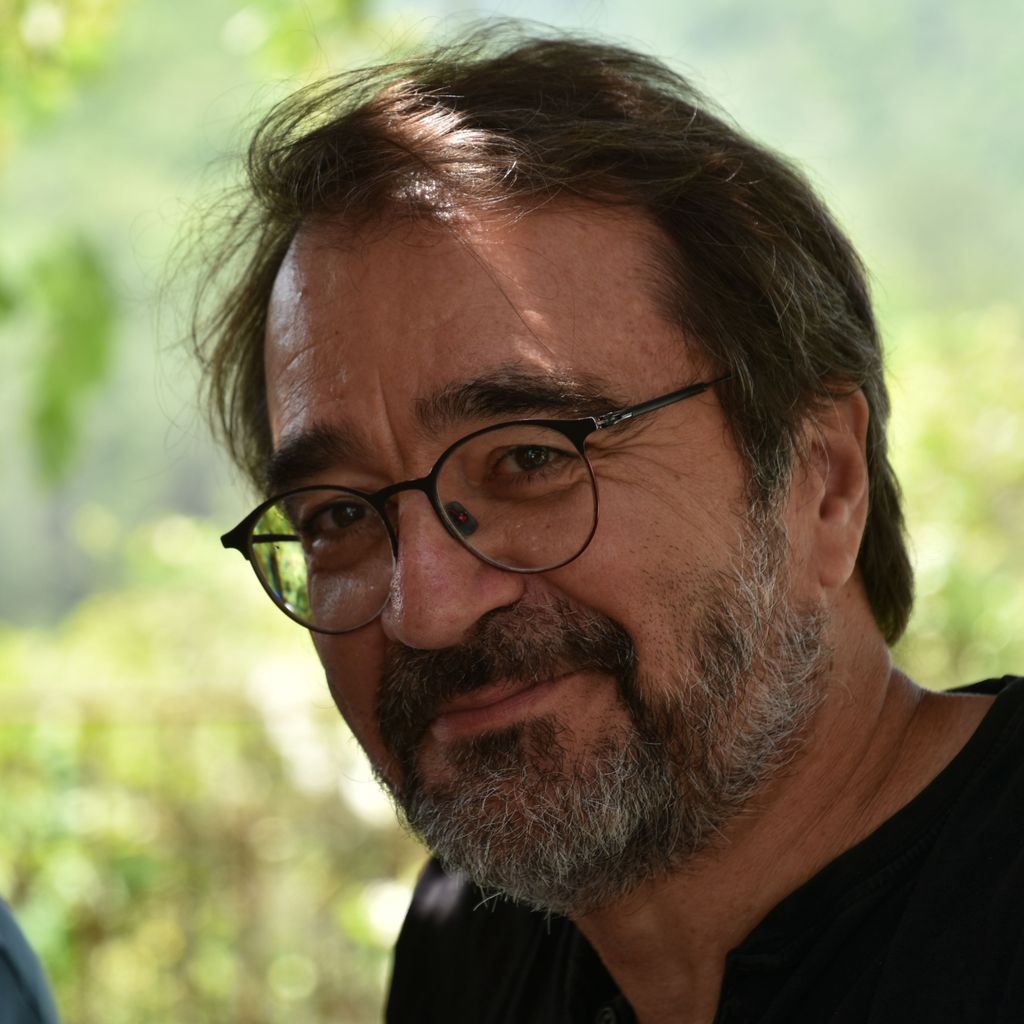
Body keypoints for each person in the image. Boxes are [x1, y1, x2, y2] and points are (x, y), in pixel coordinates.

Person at [198, 29, 1024, 1023]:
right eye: (337, 515)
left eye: (529, 459)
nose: (427, 608)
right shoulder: (477, 945)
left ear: (824, 483)